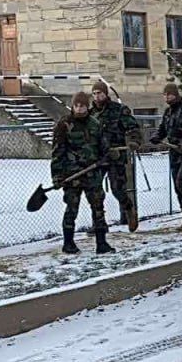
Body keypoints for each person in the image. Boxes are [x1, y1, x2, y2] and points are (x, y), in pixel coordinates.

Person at [52, 91, 113, 254]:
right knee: (72, 208)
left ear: (87, 106)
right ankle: (68, 243)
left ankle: (102, 243)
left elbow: (103, 147)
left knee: (98, 207)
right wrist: (57, 176)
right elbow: (57, 153)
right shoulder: (64, 124)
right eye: (76, 105)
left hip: (92, 174)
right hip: (72, 176)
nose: (79, 108)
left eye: (82, 106)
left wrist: (105, 158)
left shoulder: (95, 124)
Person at [89, 80, 142, 225]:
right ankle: (98, 223)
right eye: (94, 93)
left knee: (118, 189)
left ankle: (128, 209)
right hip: (98, 158)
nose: (97, 96)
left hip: (115, 157)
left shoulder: (118, 110)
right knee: (94, 191)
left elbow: (133, 128)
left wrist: (134, 141)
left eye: (99, 93)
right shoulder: (91, 114)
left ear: (105, 94)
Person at [150, 83, 182, 213]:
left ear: (175, 94)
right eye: (165, 95)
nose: (167, 97)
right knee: (176, 185)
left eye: (169, 94)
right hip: (174, 153)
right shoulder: (168, 112)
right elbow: (163, 128)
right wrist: (156, 136)